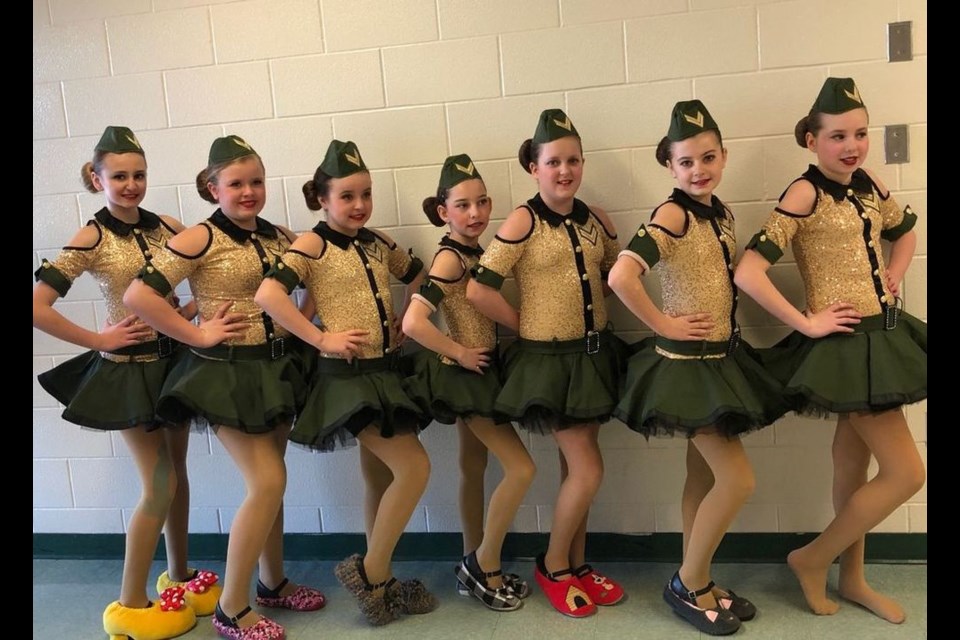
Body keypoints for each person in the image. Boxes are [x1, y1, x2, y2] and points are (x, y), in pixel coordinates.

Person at [734, 77, 926, 624]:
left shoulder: (868, 183)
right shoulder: (805, 191)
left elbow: (907, 232)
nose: (852, 145)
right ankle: (812, 558)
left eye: (860, 133)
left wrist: (893, 272)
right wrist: (806, 322)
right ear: (812, 140)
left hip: (882, 336)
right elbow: (750, 272)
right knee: (908, 473)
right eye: (838, 135)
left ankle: (854, 576)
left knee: (852, 466)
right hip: (846, 347)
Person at [124, 135, 325, 640]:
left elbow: (317, 277)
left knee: (273, 482)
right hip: (223, 374)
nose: (249, 191)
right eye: (236, 183)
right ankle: (231, 609)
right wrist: (197, 333)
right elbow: (139, 295)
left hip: (276, 370)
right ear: (213, 188)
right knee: (267, 482)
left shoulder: (279, 235)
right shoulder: (199, 238)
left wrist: (304, 325)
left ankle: (272, 582)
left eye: (256, 181)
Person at [609, 101, 789, 635]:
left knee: (702, 476)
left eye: (707, 157)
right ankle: (686, 583)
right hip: (688, 367)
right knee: (737, 481)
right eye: (686, 162)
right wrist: (662, 323)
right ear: (670, 166)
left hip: (720, 359)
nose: (698, 170)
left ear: (723, 156)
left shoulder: (722, 211)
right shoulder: (674, 213)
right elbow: (623, 276)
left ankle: (701, 577)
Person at [33, 126, 219, 639]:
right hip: (129, 374)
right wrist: (98, 338)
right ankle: (130, 599)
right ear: (97, 178)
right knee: (158, 483)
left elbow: (200, 275)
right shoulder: (90, 236)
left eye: (139, 174)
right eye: (119, 175)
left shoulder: (167, 226)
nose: (132, 184)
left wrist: (191, 311)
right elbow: (37, 306)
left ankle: (178, 574)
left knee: (178, 475)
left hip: (174, 365)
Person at [254, 139, 435, 626]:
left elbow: (422, 277)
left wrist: (407, 315)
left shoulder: (377, 242)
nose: (359, 205)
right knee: (415, 468)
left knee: (379, 476)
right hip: (347, 379)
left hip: (385, 372)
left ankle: (384, 575)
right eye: (347, 196)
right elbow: (269, 293)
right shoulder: (311, 244)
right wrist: (320, 337)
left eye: (366, 194)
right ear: (323, 199)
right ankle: (370, 574)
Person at [466, 109, 626, 618]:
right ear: (534, 167)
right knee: (588, 469)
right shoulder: (524, 219)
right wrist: (526, 323)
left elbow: (606, 275)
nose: (564, 170)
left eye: (573, 160)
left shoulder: (593, 218)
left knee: (576, 471)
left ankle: (577, 564)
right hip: (551, 363)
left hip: (593, 356)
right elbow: (478, 287)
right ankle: (554, 564)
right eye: (553, 161)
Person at [401, 154, 536, 611]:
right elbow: (414, 322)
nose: (475, 213)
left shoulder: (477, 252)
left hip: (482, 370)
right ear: (444, 212)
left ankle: (471, 560)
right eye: (463, 205)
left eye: (481, 203)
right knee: (521, 469)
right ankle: (485, 563)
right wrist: (457, 352)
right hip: (466, 375)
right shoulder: (450, 259)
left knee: (473, 466)